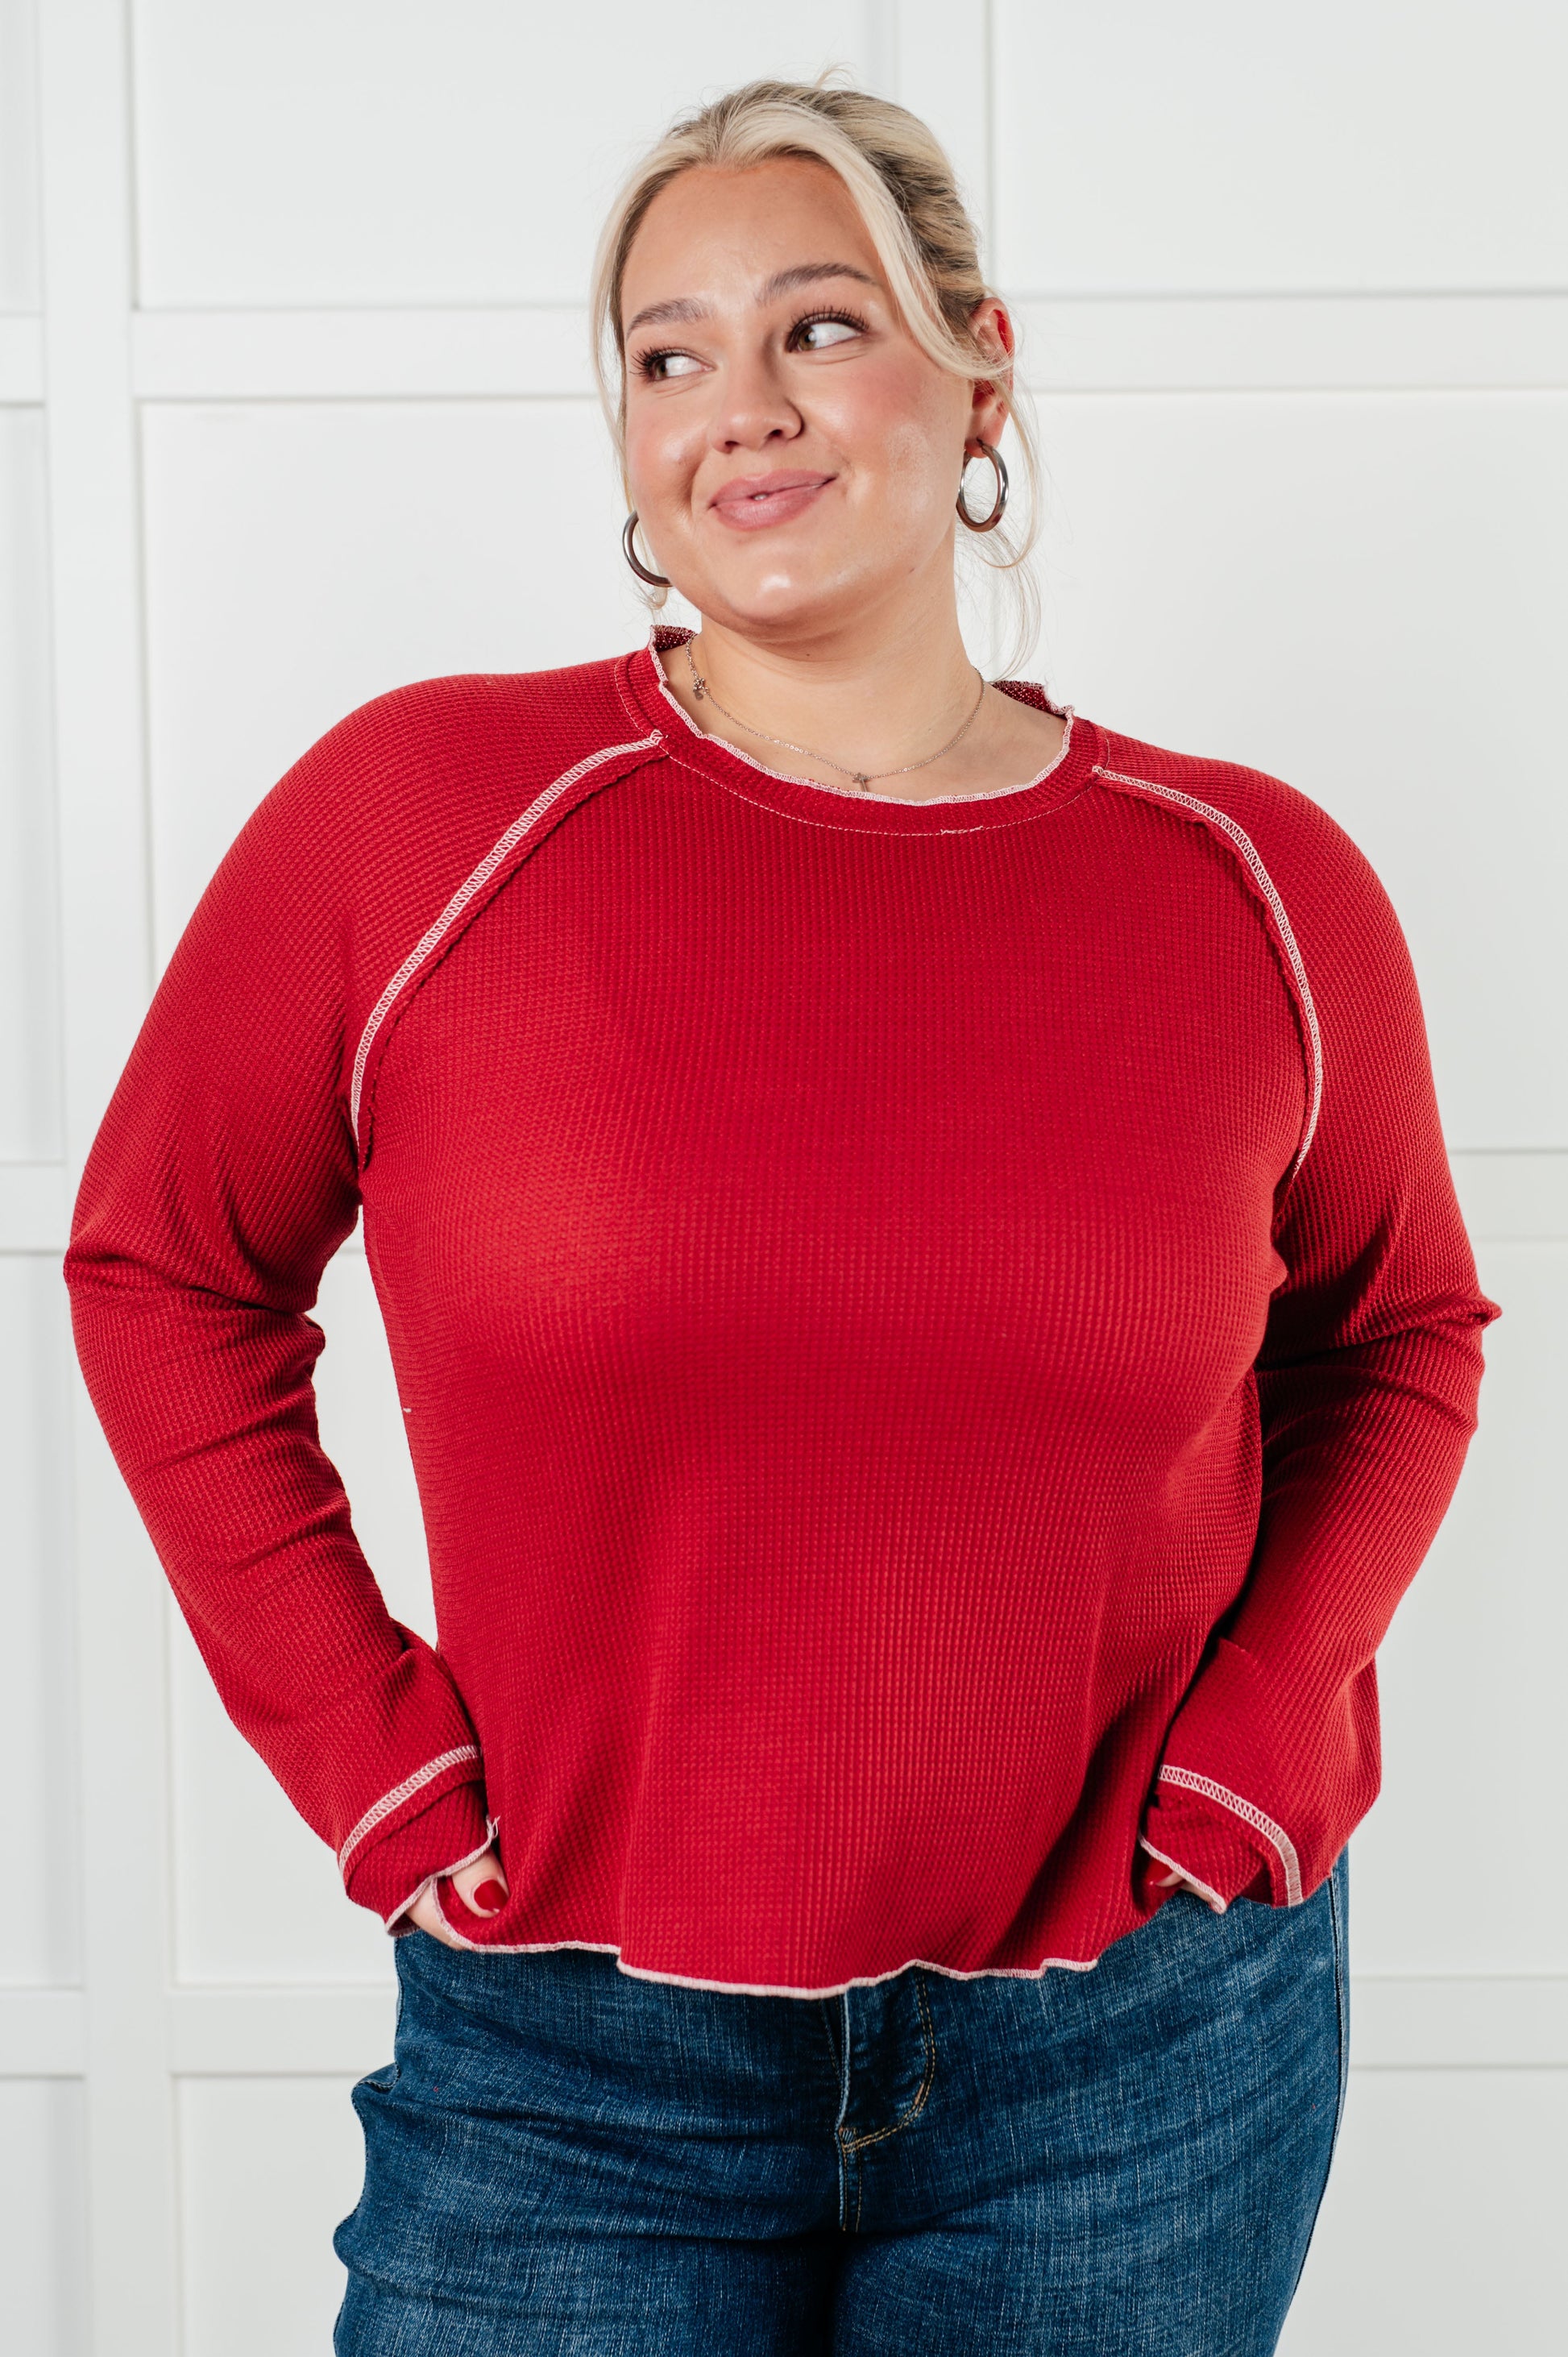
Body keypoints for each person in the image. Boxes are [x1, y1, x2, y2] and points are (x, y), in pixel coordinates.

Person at [65, 74, 1498, 2357]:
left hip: (1135, 2049)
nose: (739, 404)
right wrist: (363, 1751)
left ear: (980, 373)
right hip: (576, 2054)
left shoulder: (1255, 885)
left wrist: (1248, 1751)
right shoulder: (422, 818)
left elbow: (1399, 1337)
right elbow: (165, 1267)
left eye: (820, 326)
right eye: (669, 353)